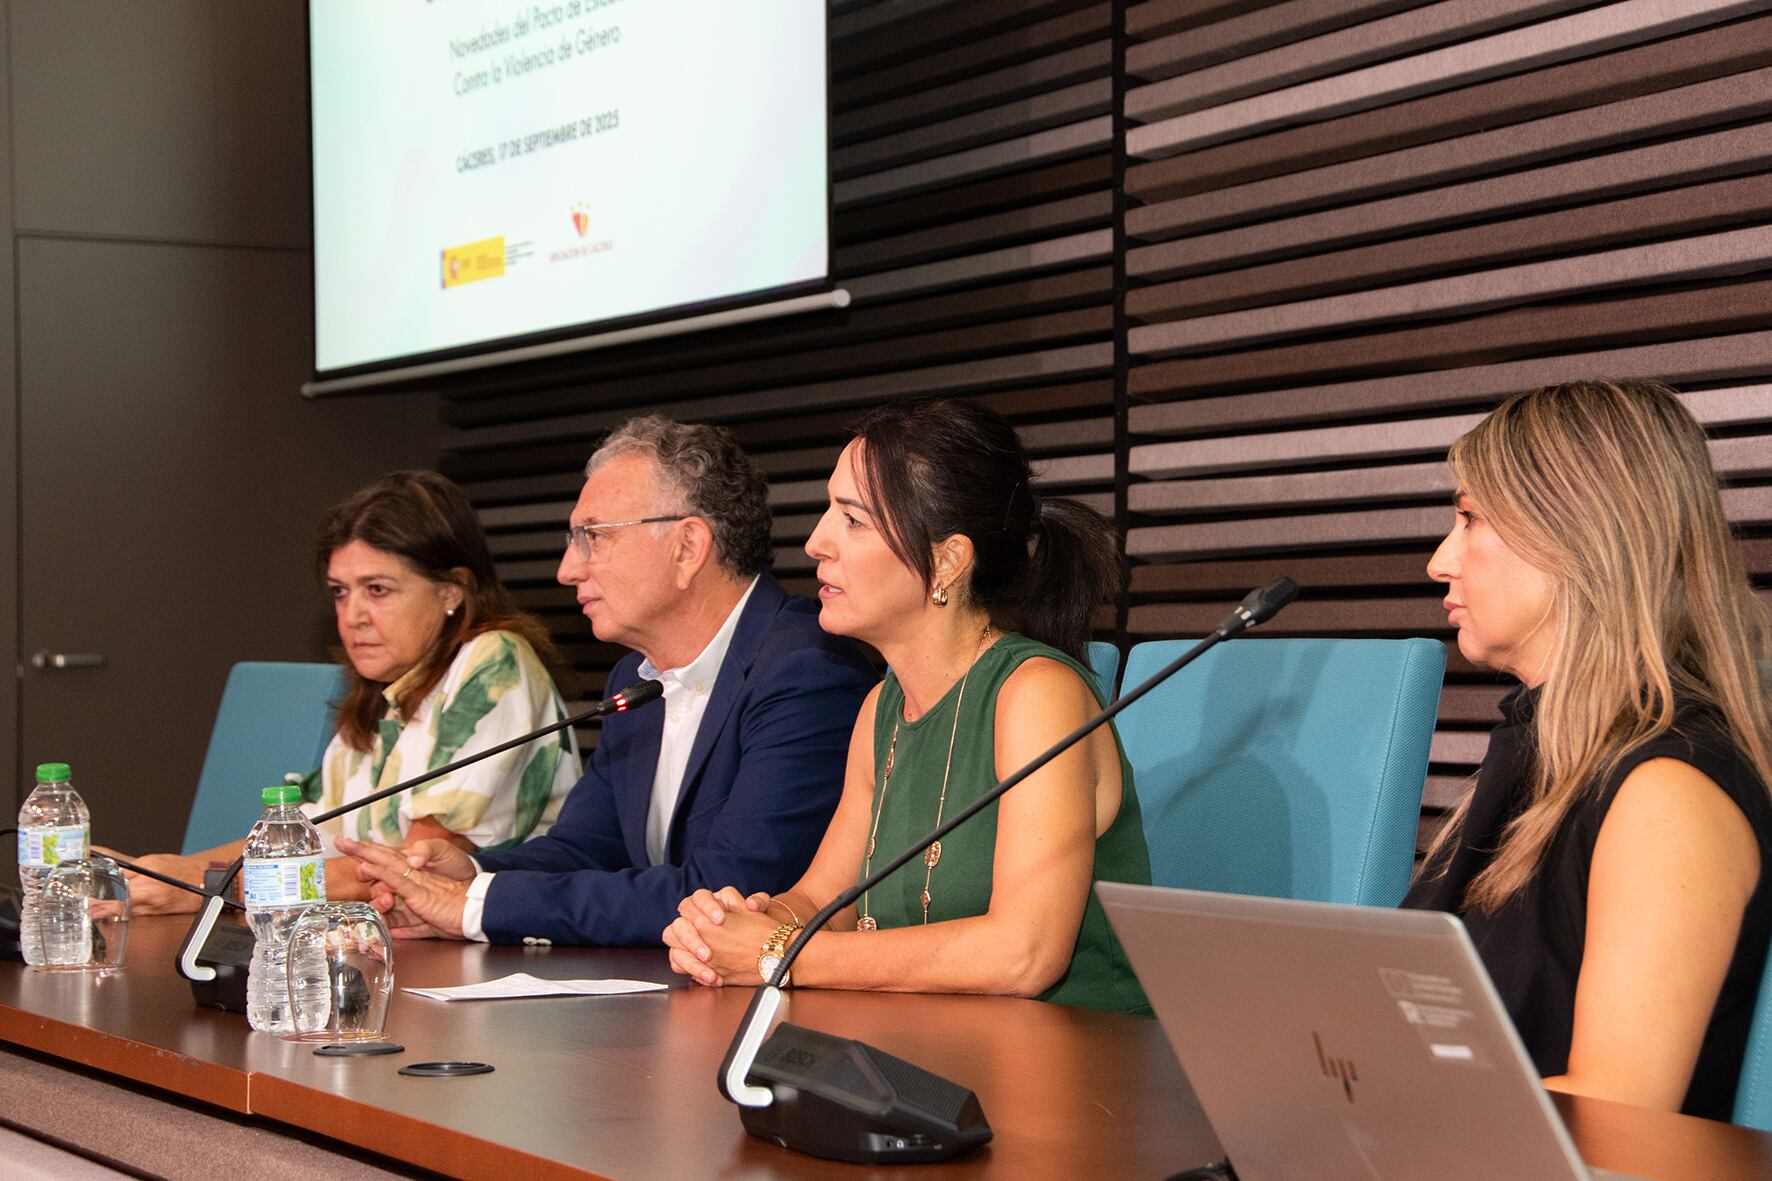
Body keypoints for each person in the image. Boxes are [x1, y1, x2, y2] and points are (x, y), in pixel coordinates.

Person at [664, 399, 1152, 1015]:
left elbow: (1024, 954)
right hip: (929, 1046)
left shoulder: (1038, 695)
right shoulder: (881, 708)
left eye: (853, 521)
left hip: (1076, 1058)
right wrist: (734, 925)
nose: (815, 542)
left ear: (947, 560)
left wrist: (778, 955)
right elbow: (823, 903)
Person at [341, 416, 877, 945]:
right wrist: (473, 874)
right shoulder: (635, 678)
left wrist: (479, 905)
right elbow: (585, 849)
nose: (567, 569)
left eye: (592, 537)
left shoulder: (807, 671)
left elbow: (728, 892)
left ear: (688, 547)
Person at [1404, 379, 1772, 1119]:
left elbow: (1614, 1112)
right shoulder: (1542, 755)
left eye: (1470, 518)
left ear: (1576, 534)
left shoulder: (1668, 793)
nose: (1440, 561)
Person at [116, 470, 581, 913]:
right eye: (340, 592)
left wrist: (207, 886)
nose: (352, 616)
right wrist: (159, 872)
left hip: (509, 949)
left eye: (377, 589)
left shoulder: (496, 662)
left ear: (451, 591)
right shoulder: (384, 690)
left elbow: (409, 868)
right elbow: (309, 840)